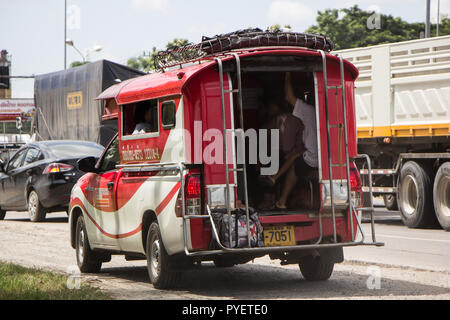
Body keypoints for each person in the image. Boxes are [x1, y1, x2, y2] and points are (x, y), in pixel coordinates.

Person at [260, 72, 318, 209]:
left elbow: (288, 97)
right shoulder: (321, 111)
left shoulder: (306, 110)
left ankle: (281, 200)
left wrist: (287, 74)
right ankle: (275, 182)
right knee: (296, 155)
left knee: (296, 162)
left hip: (312, 157)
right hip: (319, 156)